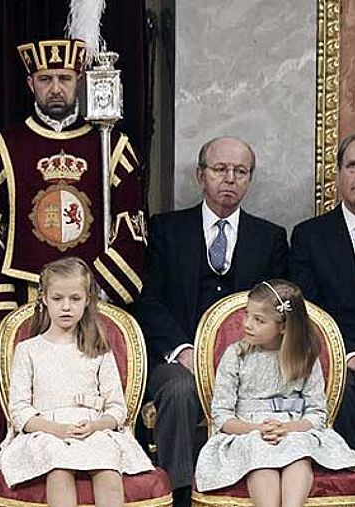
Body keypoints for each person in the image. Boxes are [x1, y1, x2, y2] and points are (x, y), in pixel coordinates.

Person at [131, 136, 288, 505]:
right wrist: (184, 351)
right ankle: (181, 496)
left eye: (240, 171)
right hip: (178, 359)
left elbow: (283, 311)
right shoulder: (166, 231)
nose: (229, 179)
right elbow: (148, 301)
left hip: (250, 362)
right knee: (180, 389)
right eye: (220, 169)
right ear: (201, 176)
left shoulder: (271, 238)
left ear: (250, 179)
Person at [0, 37, 146, 327]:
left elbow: (132, 227)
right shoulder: (4, 148)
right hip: (26, 298)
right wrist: (3, 312)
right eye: (45, 79)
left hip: (93, 299)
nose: (55, 89)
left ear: (79, 80)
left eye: (64, 78)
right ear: (30, 84)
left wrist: (99, 289)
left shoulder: (112, 147)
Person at [0, 257, 153, 507]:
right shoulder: (28, 350)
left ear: (87, 300)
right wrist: (57, 430)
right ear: (44, 298)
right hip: (46, 433)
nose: (66, 307)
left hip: (92, 431)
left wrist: (96, 426)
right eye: (58, 299)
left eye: (75, 299)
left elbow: (117, 410)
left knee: (107, 465)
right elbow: (20, 411)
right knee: (59, 466)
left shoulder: (99, 350)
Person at [194, 280, 355, 503]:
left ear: (283, 326)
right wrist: (256, 429)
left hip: (293, 431)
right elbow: (222, 416)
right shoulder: (236, 356)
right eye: (247, 315)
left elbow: (317, 414)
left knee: (298, 453)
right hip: (248, 432)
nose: (248, 324)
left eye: (259, 320)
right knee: (260, 454)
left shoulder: (304, 357)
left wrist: (288, 429)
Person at [289, 133, 355, 449]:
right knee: (345, 385)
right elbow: (309, 311)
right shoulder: (309, 237)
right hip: (340, 356)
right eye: (353, 166)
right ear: (338, 173)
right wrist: (349, 354)